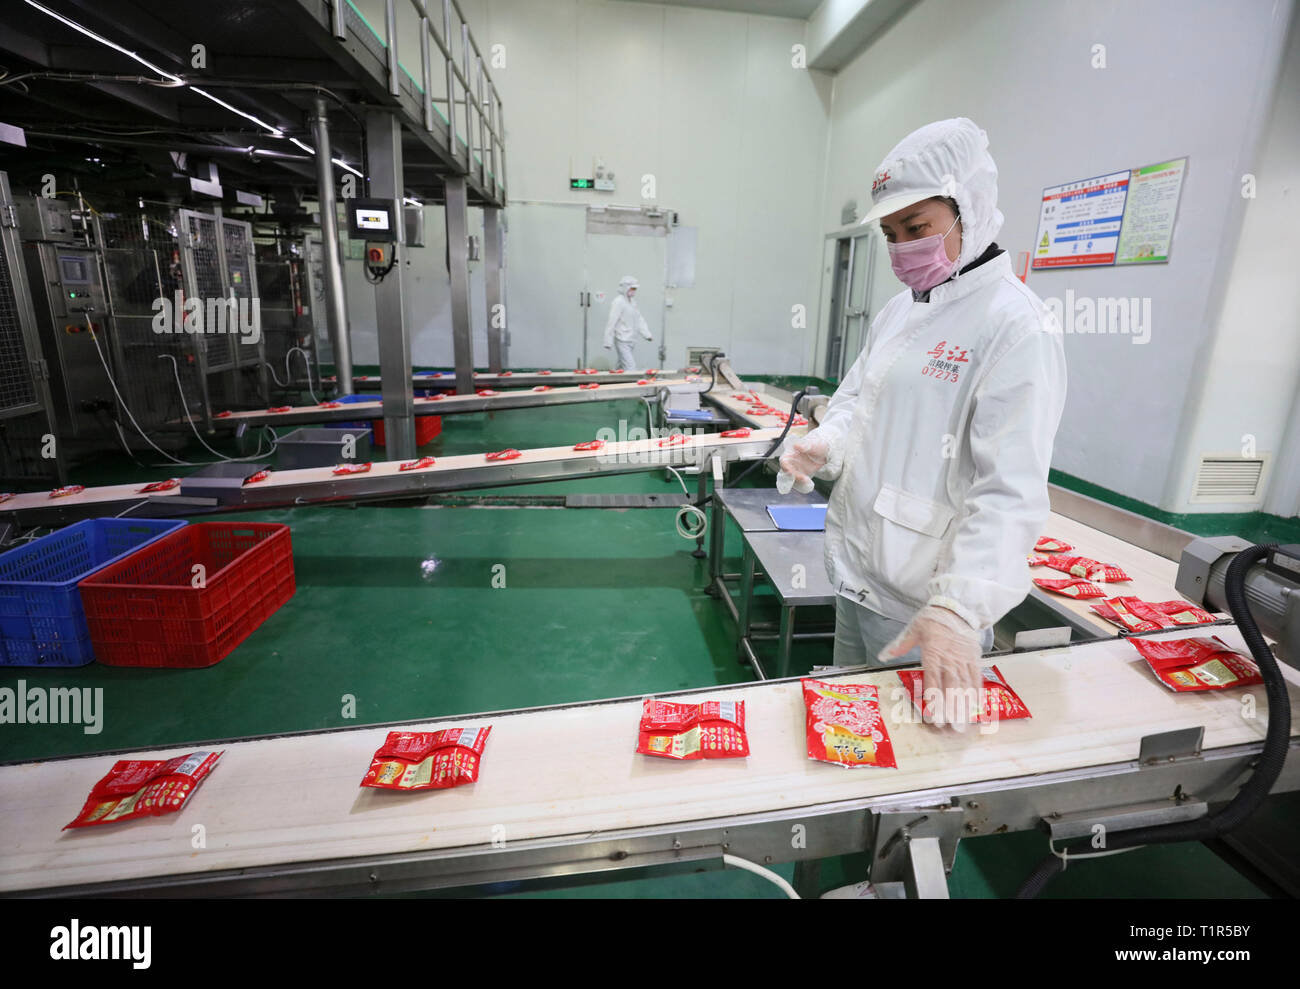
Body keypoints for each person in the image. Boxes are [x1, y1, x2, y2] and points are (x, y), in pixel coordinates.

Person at [778, 118, 1067, 729]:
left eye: (917, 228)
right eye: (890, 233)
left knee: (918, 791)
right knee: (853, 738)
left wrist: (959, 610)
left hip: (924, 600)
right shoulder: (900, 312)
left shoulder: (1014, 325)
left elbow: (1009, 489)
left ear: (972, 208)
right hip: (859, 575)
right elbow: (856, 398)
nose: (903, 247)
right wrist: (823, 442)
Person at [603, 275, 653, 370]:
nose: (634, 291)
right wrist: (608, 341)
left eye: (635, 289)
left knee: (621, 365)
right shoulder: (618, 302)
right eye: (632, 288)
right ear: (626, 288)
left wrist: (647, 334)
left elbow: (639, 319)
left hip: (631, 339)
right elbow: (611, 322)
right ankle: (631, 384)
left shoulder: (632, 302)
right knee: (630, 367)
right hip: (622, 340)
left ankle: (613, 382)